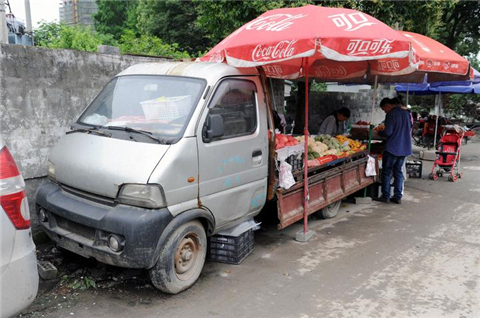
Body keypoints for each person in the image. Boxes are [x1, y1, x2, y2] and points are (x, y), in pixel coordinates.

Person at [374, 98, 412, 204]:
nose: (384, 111)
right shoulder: (406, 113)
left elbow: (388, 132)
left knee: (386, 172)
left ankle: (385, 195)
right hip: (405, 147)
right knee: (398, 171)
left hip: (393, 147)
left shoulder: (391, 114)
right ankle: (397, 196)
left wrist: (379, 133)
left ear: (387, 105)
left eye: (383, 109)